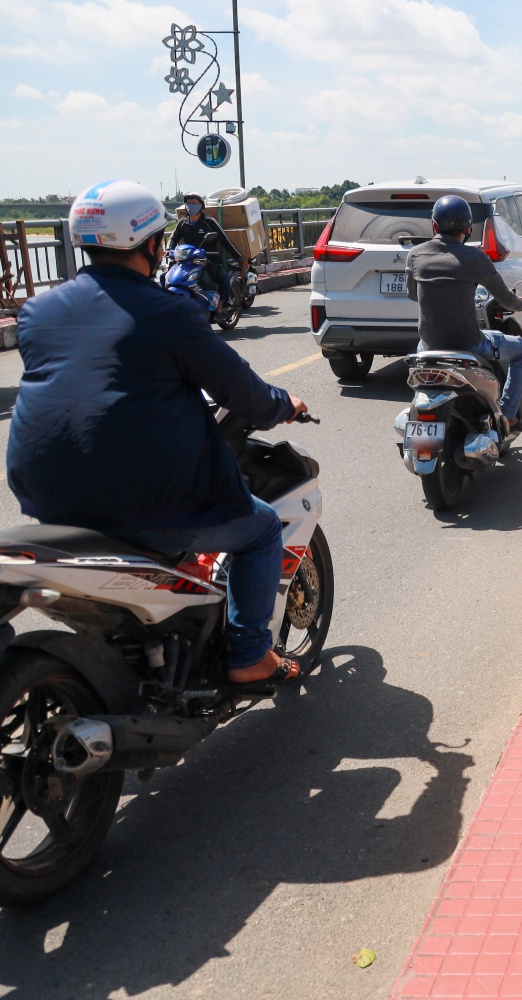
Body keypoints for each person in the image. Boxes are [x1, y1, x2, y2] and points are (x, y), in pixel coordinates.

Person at [7, 180, 308, 690]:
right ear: (152, 245)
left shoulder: (38, 313)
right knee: (259, 531)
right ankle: (251, 655)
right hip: (146, 502)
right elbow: (243, 393)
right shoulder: (171, 313)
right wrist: (285, 405)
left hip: (47, 499)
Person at [404, 195, 522, 434]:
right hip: (470, 345)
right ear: (468, 228)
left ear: (434, 226)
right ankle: (507, 415)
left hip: (429, 346)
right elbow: (505, 298)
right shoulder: (475, 258)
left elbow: (413, 295)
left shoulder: (416, 255)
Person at [168, 191, 240, 306]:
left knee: (223, 278)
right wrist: (169, 250)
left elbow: (225, 241)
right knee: (166, 276)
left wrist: (239, 258)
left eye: (194, 203)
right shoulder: (182, 223)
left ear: (201, 205)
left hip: (209, 260)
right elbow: (173, 238)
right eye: (188, 203)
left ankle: (221, 306)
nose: (191, 205)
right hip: (187, 262)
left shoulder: (209, 222)